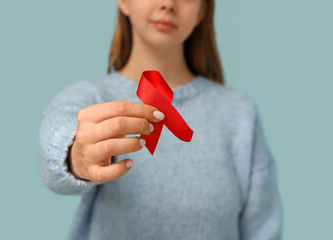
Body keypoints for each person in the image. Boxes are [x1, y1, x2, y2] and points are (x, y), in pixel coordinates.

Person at [38, 0, 284, 239]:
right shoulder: (92, 98)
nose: (168, 4)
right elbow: (55, 137)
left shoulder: (240, 114)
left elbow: (263, 229)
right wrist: (76, 154)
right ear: (124, 2)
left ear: (201, 11)